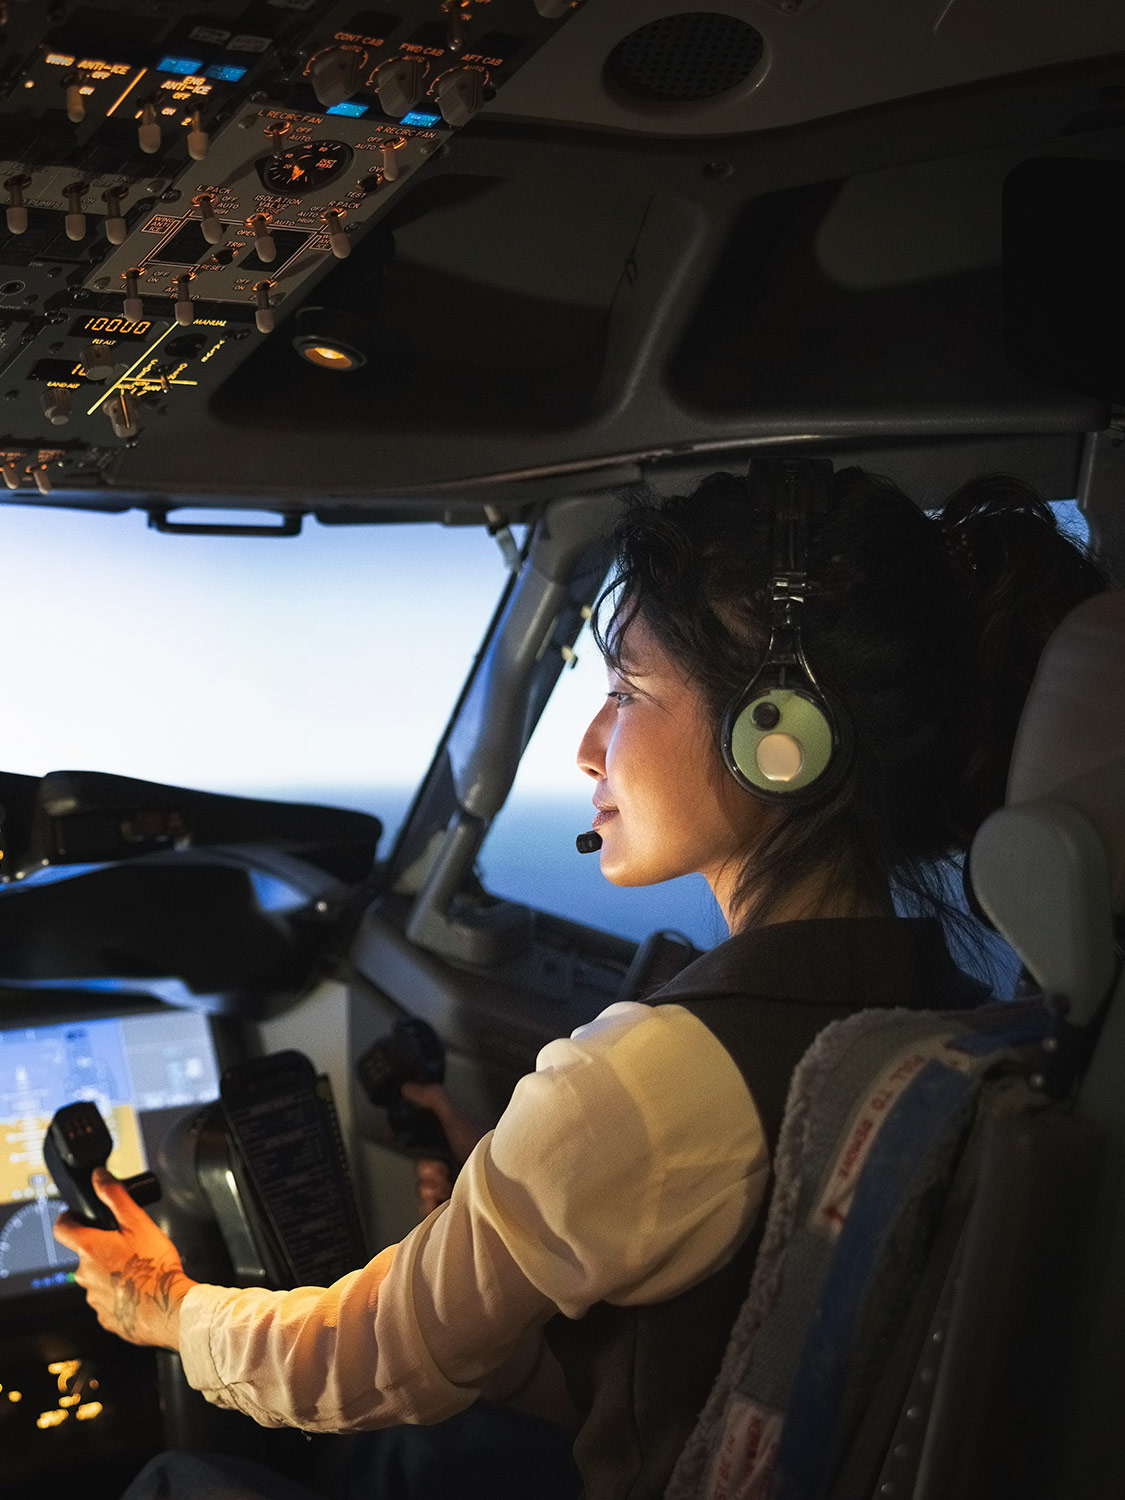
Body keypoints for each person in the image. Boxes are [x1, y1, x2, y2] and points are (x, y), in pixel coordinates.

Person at [53, 464, 1105, 1500]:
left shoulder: (650, 1080)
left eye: (626, 691)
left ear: (778, 737)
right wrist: (514, 1244)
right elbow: (706, 1374)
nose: (589, 749)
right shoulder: (955, 1026)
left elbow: (359, 1359)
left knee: (177, 1480)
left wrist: (166, 1304)